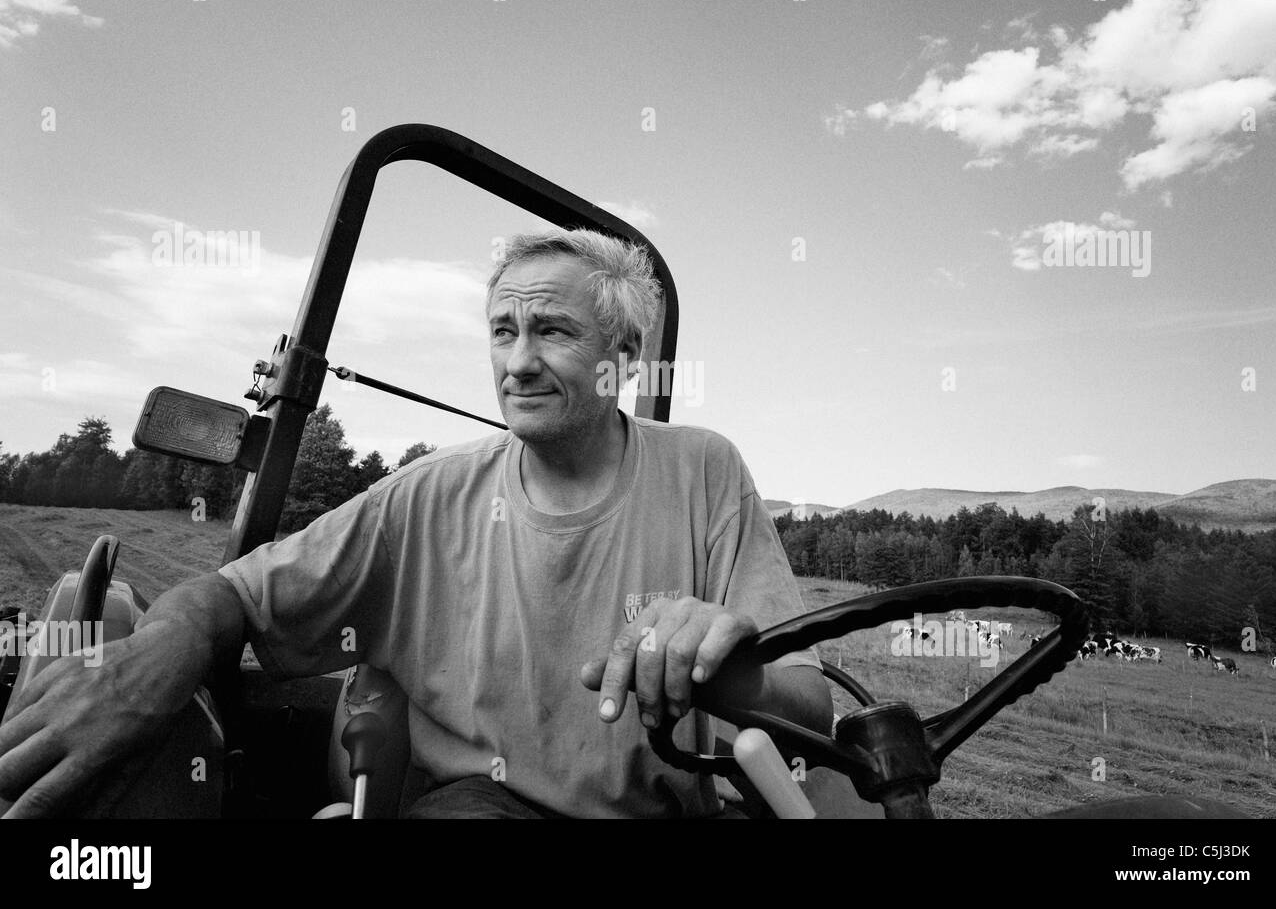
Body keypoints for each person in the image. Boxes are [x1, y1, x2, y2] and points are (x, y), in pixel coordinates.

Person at [0, 228, 831, 819]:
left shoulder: (704, 470)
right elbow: (236, 596)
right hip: (482, 804)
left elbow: (810, 709)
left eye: (552, 331)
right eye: (503, 331)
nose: (517, 361)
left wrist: (722, 654)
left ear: (623, 358)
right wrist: (153, 663)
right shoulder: (427, 497)